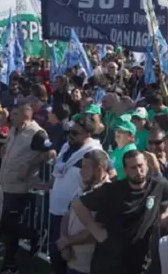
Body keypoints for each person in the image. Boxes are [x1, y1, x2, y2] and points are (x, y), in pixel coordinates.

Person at [72, 149, 168, 274]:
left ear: (146, 165)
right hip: (108, 261)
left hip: (138, 261)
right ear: (125, 170)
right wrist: (96, 231)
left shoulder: (158, 185)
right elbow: (78, 204)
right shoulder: (112, 189)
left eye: (140, 166)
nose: (138, 171)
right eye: (133, 168)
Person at [0, 103, 56, 274]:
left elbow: (51, 152)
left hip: (20, 187)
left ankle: (13, 260)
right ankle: (17, 252)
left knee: (9, 224)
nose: (11, 116)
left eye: (15, 114)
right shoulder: (15, 130)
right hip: (6, 183)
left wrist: (31, 164)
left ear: (26, 116)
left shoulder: (36, 133)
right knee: (7, 225)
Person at [46, 113, 106, 274]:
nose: (70, 136)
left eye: (75, 133)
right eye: (69, 132)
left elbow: (109, 172)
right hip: (59, 211)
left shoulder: (93, 152)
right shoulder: (67, 147)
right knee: (56, 254)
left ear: (87, 133)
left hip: (77, 216)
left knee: (69, 258)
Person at [59, 149, 112, 274]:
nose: (81, 172)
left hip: (88, 265)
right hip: (72, 260)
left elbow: (97, 231)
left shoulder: (108, 194)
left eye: (85, 167)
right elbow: (66, 215)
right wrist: (64, 241)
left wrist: (68, 241)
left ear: (99, 170)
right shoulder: (81, 188)